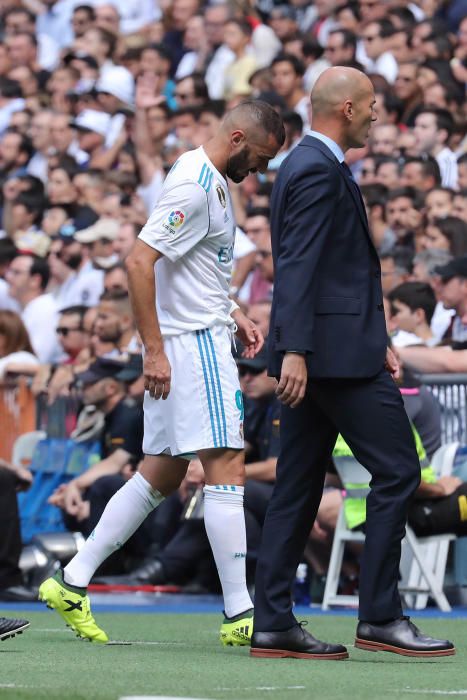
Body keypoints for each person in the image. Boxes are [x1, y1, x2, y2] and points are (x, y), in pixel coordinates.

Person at [39, 100, 285, 645]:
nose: (262, 171)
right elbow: (137, 262)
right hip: (191, 346)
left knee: (162, 472)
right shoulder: (196, 185)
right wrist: (154, 350)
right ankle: (241, 613)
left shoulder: (207, 175)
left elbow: (193, 268)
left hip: (195, 333)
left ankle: (73, 580)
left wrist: (234, 310)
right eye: (262, 158)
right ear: (239, 138)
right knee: (227, 467)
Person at [250, 67, 455, 661]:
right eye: (370, 105)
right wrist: (293, 349)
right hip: (333, 360)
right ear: (344, 109)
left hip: (335, 350)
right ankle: (381, 616)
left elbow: (336, 269)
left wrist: (378, 335)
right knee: (398, 472)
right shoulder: (317, 168)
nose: (376, 114)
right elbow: (299, 264)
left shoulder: (311, 164)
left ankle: (273, 624)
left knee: (297, 484)